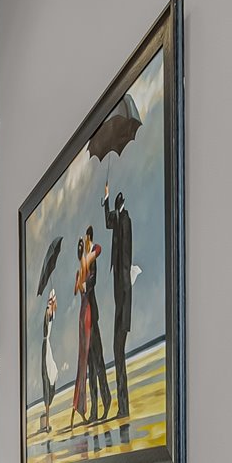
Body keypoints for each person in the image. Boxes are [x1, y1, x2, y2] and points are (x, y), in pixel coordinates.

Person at [101, 179, 133, 432]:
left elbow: (125, 249)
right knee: (116, 348)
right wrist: (106, 199)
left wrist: (126, 276)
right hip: (118, 283)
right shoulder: (116, 217)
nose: (118, 202)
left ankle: (124, 406)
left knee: (118, 347)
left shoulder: (126, 220)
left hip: (123, 284)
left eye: (118, 200)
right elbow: (107, 222)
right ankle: (122, 406)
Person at [72, 227, 113, 426]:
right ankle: (94, 408)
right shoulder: (79, 273)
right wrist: (80, 282)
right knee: (90, 368)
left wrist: (88, 261)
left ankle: (106, 401)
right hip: (83, 322)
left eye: (85, 243)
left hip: (92, 319)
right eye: (81, 248)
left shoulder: (91, 263)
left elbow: (98, 248)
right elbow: (78, 291)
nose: (83, 248)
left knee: (99, 363)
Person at [37, 289, 62, 434]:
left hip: (47, 349)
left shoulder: (50, 317)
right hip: (46, 350)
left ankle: (46, 419)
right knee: (47, 380)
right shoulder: (48, 315)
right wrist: (50, 305)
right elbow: (49, 315)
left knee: (50, 378)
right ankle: (46, 422)